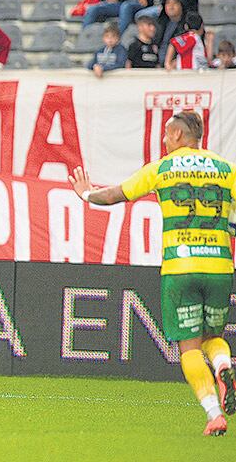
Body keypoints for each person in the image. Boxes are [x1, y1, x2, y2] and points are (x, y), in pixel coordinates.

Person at [67, 110, 236, 437]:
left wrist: (86, 194)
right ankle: (223, 366)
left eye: (165, 134)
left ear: (176, 136)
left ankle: (214, 414)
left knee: (189, 347)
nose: (162, 140)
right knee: (214, 338)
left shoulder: (161, 169)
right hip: (219, 265)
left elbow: (115, 195)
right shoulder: (226, 169)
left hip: (180, 267)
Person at [155, 0, 185, 64]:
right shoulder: (161, 23)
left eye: (174, 3)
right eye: (168, 3)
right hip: (158, 63)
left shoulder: (186, 25)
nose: (171, 6)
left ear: (181, 5)